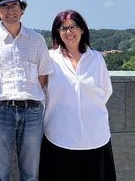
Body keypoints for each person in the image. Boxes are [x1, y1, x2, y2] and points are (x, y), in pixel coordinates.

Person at [0, 0, 53, 181]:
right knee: (0, 172)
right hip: (1, 111)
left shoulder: (36, 40)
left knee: (31, 172)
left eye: (14, 6)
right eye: (4, 7)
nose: (10, 11)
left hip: (32, 111)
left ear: (22, 10)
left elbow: (43, 78)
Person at [40, 10, 116, 181]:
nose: (68, 32)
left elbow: (106, 91)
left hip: (95, 136)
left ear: (82, 29)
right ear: (57, 33)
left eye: (72, 27)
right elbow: (43, 91)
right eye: (63, 28)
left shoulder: (96, 58)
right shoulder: (50, 58)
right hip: (59, 136)